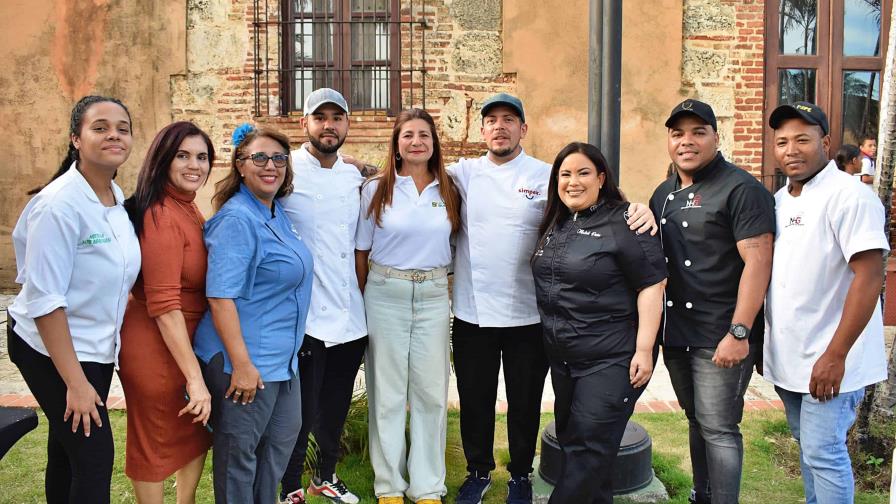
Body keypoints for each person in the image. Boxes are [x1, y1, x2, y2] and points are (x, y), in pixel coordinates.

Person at [449, 93, 657, 504]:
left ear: (523, 129)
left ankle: (522, 475)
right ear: (482, 130)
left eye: (509, 119)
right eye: (492, 120)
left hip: (530, 317)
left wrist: (640, 208)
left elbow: (600, 205)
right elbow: (412, 170)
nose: (500, 127)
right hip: (473, 312)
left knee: (525, 403)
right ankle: (478, 470)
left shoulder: (548, 176)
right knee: (475, 400)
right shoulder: (462, 173)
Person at [7, 95, 141, 503]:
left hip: (94, 348)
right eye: (100, 127)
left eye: (122, 127)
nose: (113, 134)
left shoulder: (115, 198)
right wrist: (76, 383)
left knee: (66, 452)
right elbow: (45, 301)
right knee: (95, 457)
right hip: (49, 348)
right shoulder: (59, 205)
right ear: (76, 139)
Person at [649, 99, 775, 504]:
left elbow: (758, 263)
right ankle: (701, 495)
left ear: (716, 137)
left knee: (720, 428)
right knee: (695, 419)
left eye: (698, 132)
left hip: (721, 333)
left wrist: (739, 332)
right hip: (678, 334)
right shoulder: (662, 193)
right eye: (677, 133)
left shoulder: (741, 189)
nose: (686, 141)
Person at [765, 102, 888, 504]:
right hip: (793, 359)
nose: (790, 150)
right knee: (810, 448)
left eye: (803, 139)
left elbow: (870, 276)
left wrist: (835, 355)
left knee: (824, 452)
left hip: (834, 358)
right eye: (782, 142)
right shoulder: (781, 200)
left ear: (826, 142)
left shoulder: (849, 196)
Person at [532, 142, 666, 503]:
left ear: (601, 177)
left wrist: (644, 348)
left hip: (612, 359)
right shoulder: (556, 223)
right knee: (579, 445)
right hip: (564, 360)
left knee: (587, 451)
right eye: (565, 174)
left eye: (583, 172)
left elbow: (653, 284)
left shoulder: (626, 221)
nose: (573, 182)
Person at [192, 125, 313, 503]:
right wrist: (242, 365)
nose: (270, 166)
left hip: (283, 362)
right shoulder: (237, 220)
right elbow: (220, 298)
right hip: (244, 364)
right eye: (259, 157)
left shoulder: (274, 212)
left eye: (279, 158)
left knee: (277, 449)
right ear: (240, 166)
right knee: (238, 461)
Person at [355, 108, 460, 504]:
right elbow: (361, 253)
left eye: (424, 135)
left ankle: (428, 486)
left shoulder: (449, 189)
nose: (417, 141)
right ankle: (390, 487)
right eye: (408, 135)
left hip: (433, 295)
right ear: (396, 144)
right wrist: (369, 297)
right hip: (385, 292)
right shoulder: (376, 189)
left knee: (432, 392)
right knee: (389, 393)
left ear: (434, 144)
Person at [278, 88, 368, 504]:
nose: (329, 125)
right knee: (301, 411)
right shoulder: (285, 169)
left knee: (334, 405)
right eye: (320, 117)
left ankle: (325, 476)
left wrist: (368, 165)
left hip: (350, 314)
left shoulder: (354, 175)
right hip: (306, 315)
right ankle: (291, 485)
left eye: (337, 117)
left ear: (348, 124)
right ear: (305, 124)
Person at [119, 121, 216, 503]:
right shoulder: (160, 214)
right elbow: (163, 305)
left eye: (202, 157)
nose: (195, 165)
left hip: (187, 342)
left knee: (193, 432)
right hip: (157, 346)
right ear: (163, 159)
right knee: (154, 443)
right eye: (183, 155)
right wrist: (194, 377)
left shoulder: (187, 207)